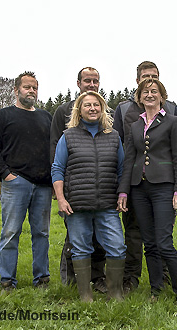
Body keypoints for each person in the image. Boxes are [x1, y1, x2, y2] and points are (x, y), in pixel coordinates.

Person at [117, 78, 177, 305]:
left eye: (154, 91)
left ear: (162, 96)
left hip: (164, 188)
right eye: (145, 92)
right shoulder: (135, 126)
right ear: (139, 97)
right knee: (149, 243)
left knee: (164, 242)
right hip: (139, 189)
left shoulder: (173, 122)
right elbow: (129, 160)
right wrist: (123, 192)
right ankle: (156, 290)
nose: (149, 95)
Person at [52, 91, 126, 302]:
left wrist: (122, 194)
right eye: (87, 105)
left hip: (107, 204)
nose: (92, 108)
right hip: (76, 205)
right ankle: (85, 295)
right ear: (79, 110)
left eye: (96, 105)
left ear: (102, 109)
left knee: (117, 246)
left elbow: (121, 170)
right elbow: (57, 169)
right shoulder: (68, 136)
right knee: (80, 248)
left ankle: (116, 293)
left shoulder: (113, 136)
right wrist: (61, 199)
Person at [112, 61, 177, 293]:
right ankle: (131, 277)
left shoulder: (171, 109)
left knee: (162, 234)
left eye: (154, 76)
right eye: (145, 77)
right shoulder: (122, 109)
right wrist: (123, 185)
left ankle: (164, 277)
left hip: (162, 184)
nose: (150, 80)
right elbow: (120, 146)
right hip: (134, 182)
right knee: (133, 233)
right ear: (137, 80)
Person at [0, 71, 53, 292]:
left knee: (41, 233)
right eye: (26, 87)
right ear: (16, 90)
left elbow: (53, 149)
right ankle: (7, 281)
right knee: (11, 232)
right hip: (16, 183)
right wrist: (5, 174)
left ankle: (42, 279)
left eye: (34, 87)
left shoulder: (46, 117)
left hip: (43, 185)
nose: (31, 91)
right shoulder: (3, 116)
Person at [49, 67, 107, 292]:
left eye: (95, 81)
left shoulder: (101, 111)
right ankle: (70, 279)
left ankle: (98, 277)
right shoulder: (63, 111)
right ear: (78, 83)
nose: (91, 85)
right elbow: (54, 149)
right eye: (87, 81)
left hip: (100, 187)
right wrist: (58, 187)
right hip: (72, 186)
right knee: (74, 236)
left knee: (99, 236)